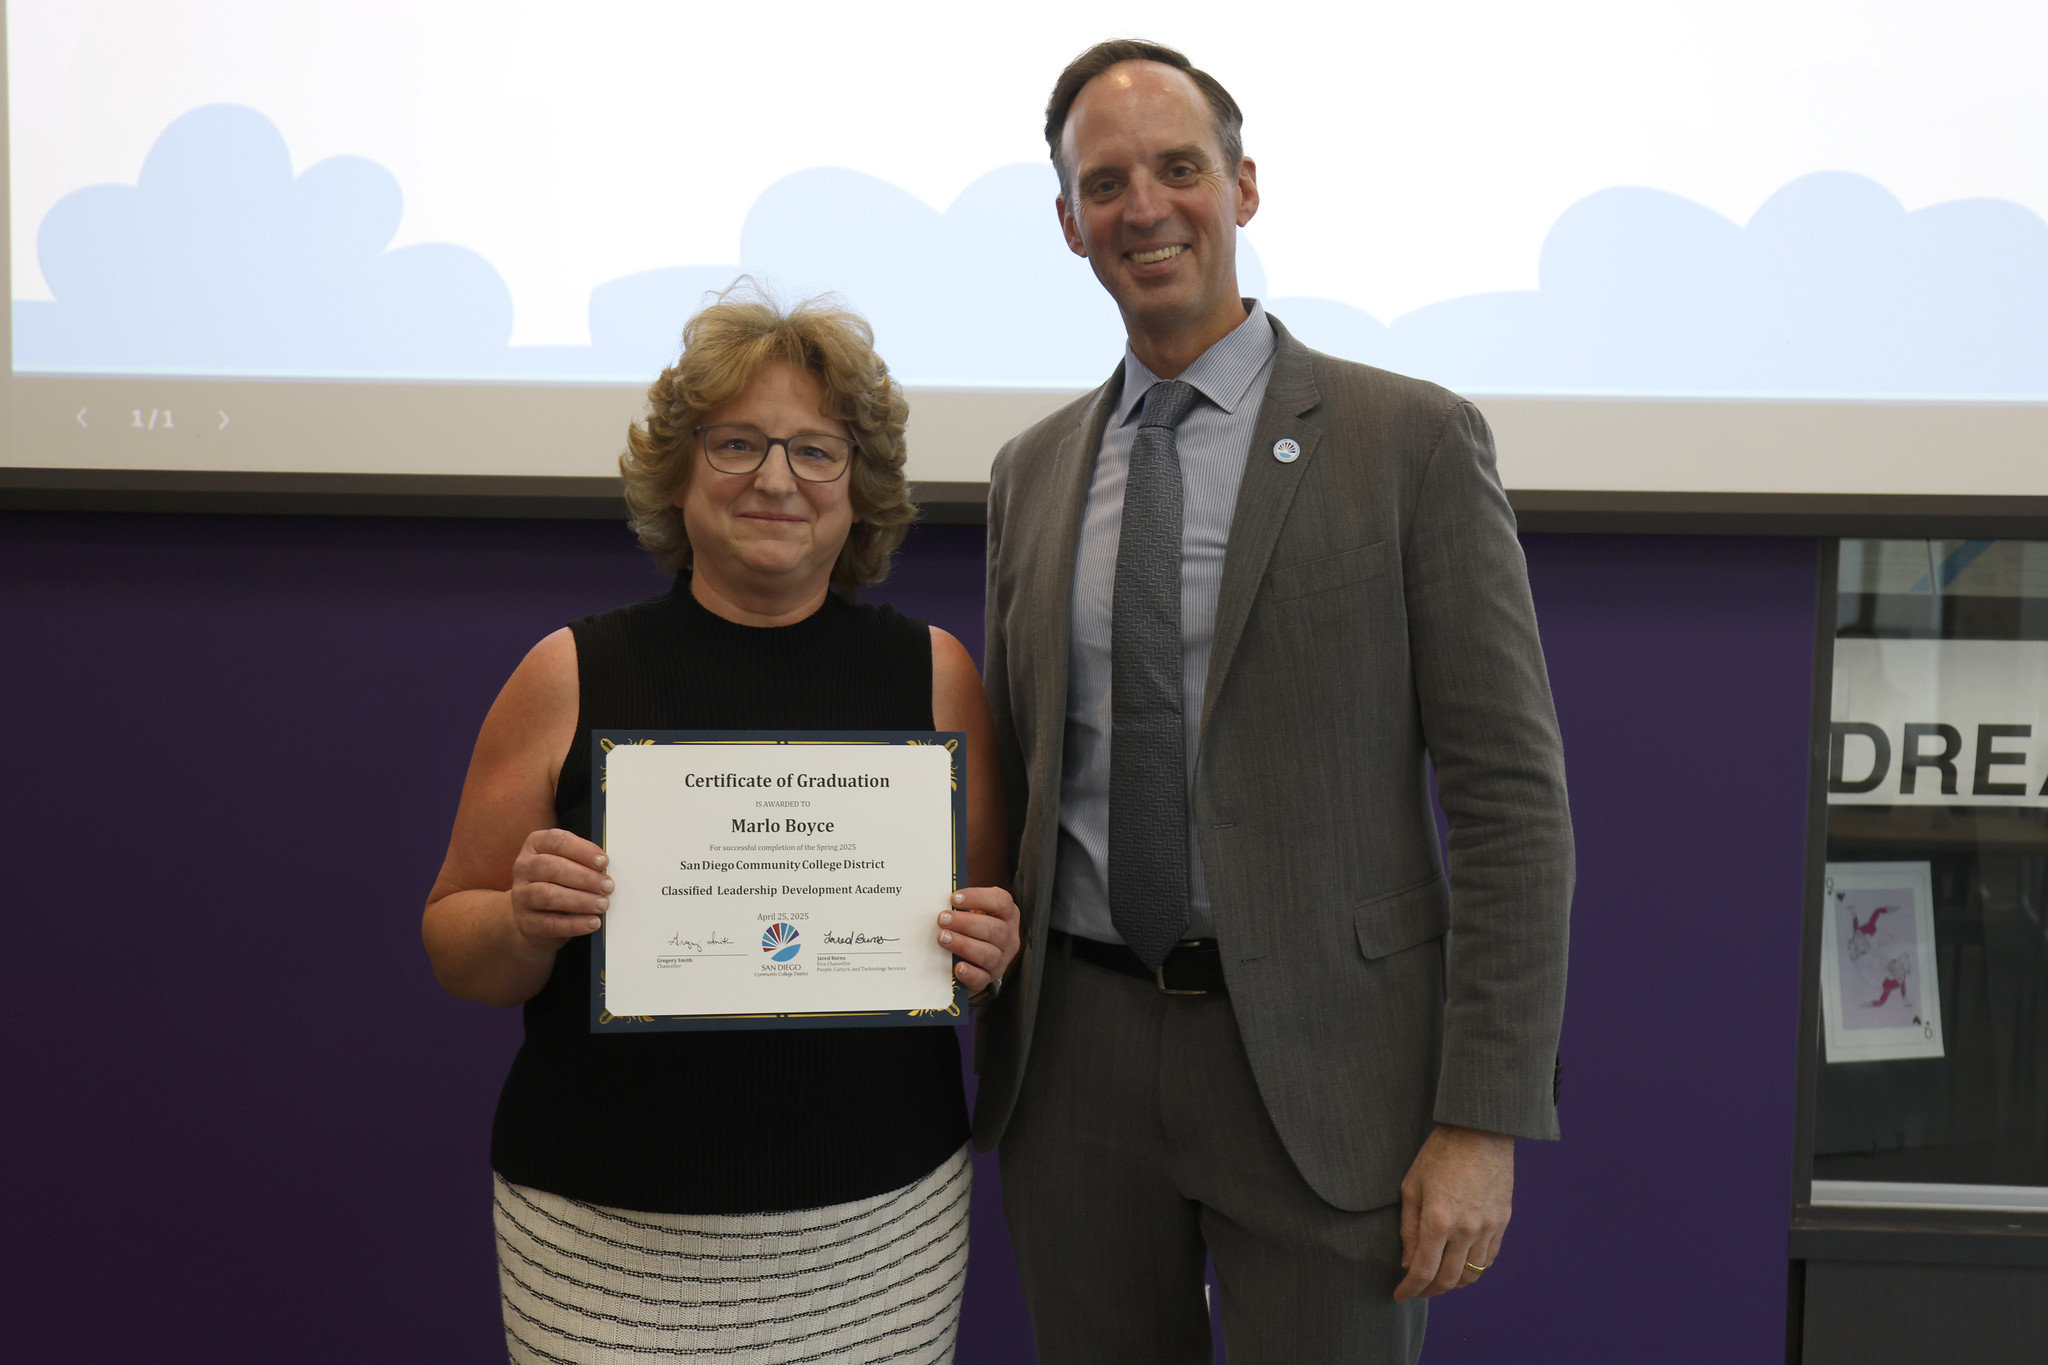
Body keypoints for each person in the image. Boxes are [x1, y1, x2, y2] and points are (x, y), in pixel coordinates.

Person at [977, 39, 1575, 1363]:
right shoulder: (1029, 473)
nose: (1146, 208)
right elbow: (1020, 779)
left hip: (1327, 1072)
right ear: (1069, 222)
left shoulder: (1408, 441)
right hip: (1073, 1066)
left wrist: (1482, 1117)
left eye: (1178, 169)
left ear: (1243, 188)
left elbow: (1509, 805)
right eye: (1107, 181)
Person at [422, 294, 1020, 1364]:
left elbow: (979, 944)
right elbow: (455, 943)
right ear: (679, 469)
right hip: (602, 1228)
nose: (776, 479)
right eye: (736, 443)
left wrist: (990, 950)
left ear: (860, 485)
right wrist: (520, 921)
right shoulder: (567, 673)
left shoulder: (933, 674)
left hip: (875, 1223)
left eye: (815, 450)